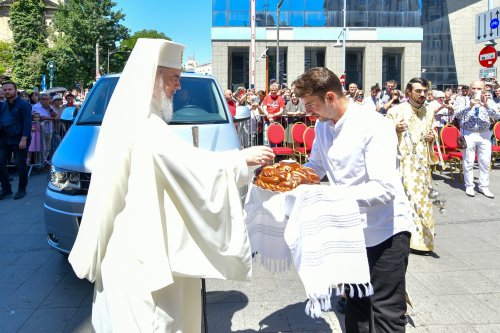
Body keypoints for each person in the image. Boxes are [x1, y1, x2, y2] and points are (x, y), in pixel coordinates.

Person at [68, 38, 274, 332]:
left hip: (134, 246)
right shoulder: (145, 127)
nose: (178, 87)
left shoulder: (133, 119)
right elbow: (191, 169)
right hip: (143, 255)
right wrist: (242, 160)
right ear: (152, 78)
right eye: (174, 78)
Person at [293, 68, 413, 333]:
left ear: (331, 97)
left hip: (386, 231)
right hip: (351, 230)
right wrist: (290, 177)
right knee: (355, 305)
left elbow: (384, 189)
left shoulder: (373, 125)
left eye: (312, 105)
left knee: (386, 311)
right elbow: (316, 165)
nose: (309, 112)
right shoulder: (323, 126)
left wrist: (331, 196)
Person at [387, 77, 437, 254]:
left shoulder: (429, 111)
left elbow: (432, 133)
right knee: (406, 201)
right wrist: (394, 129)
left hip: (422, 164)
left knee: (423, 202)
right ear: (408, 92)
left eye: (424, 91)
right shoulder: (395, 111)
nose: (422, 94)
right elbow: (382, 136)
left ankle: (422, 240)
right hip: (403, 163)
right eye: (418, 91)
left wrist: (432, 139)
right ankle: (403, 239)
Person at [453, 81, 500, 198]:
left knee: (484, 161)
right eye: (473, 88)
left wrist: (486, 105)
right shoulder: (462, 100)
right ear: (469, 89)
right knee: (468, 161)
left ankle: (484, 186)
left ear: (484, 89)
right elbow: (457, 114)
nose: (476, 90)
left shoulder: (489, 100)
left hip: (485, 134)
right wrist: (470, 105)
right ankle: (469, 185)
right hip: (468, 133)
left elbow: (497, 116)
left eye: (479, 88)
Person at [0, 81, 32, 200]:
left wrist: (24, 139)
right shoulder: (3, 105)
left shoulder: (24, 105)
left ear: (15, 90)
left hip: (20, 139)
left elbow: (27, 123)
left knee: (20, 165)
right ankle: (6, 189)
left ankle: (21, 189)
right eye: (5, 89)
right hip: (5, 138)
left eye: (9, 89)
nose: (7, 91)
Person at [32, 93, 57, 162]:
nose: (46, 101)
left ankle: (44, 162)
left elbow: (55, 115)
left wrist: (50, 109)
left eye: (47, 99)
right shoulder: (35, 107)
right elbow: (41, 117)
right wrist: (53, 118)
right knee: (39, 147)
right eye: (44, 99)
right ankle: (38, 164)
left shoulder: (50, 106)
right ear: (40, 100)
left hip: (49, 129)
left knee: (48, 147)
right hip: (39, 130)